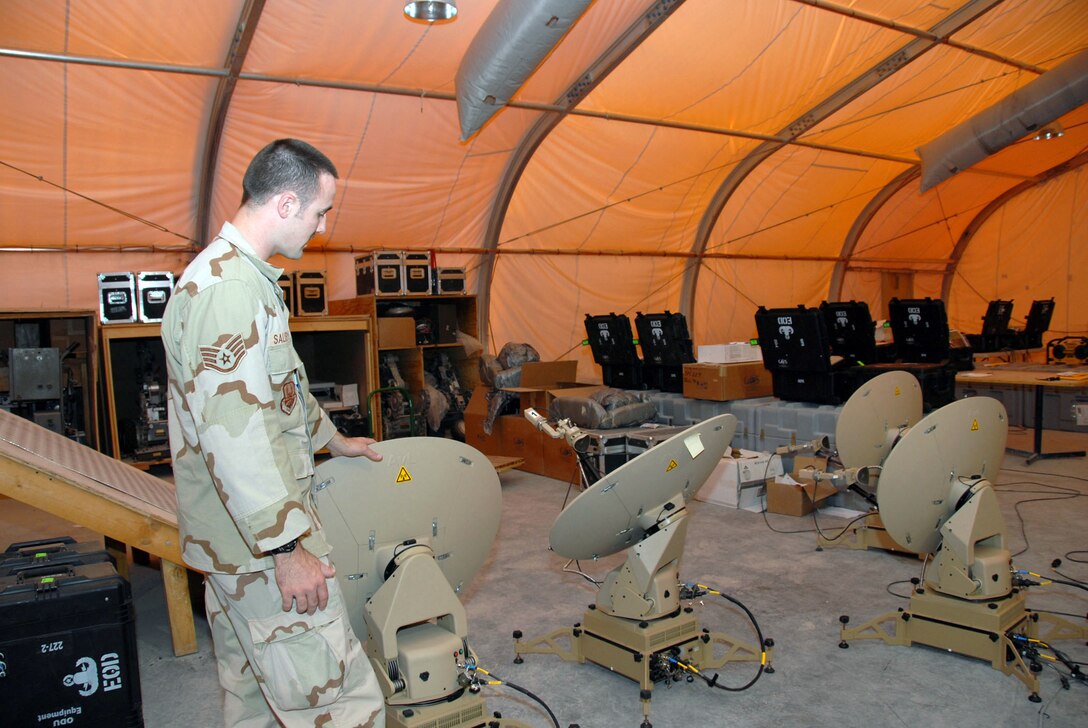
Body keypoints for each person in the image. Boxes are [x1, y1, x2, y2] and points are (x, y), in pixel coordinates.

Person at [161, 139, 386, 727]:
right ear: (286, 203)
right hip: (259, 549)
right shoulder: (228, 291)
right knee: (337, 700)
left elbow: (276, 392)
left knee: (256, 698)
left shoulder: (241, 279)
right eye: (319, 212)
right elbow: (235, 437)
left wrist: (334, 441)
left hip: (237, 544)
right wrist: (287, 550)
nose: (322, 225)